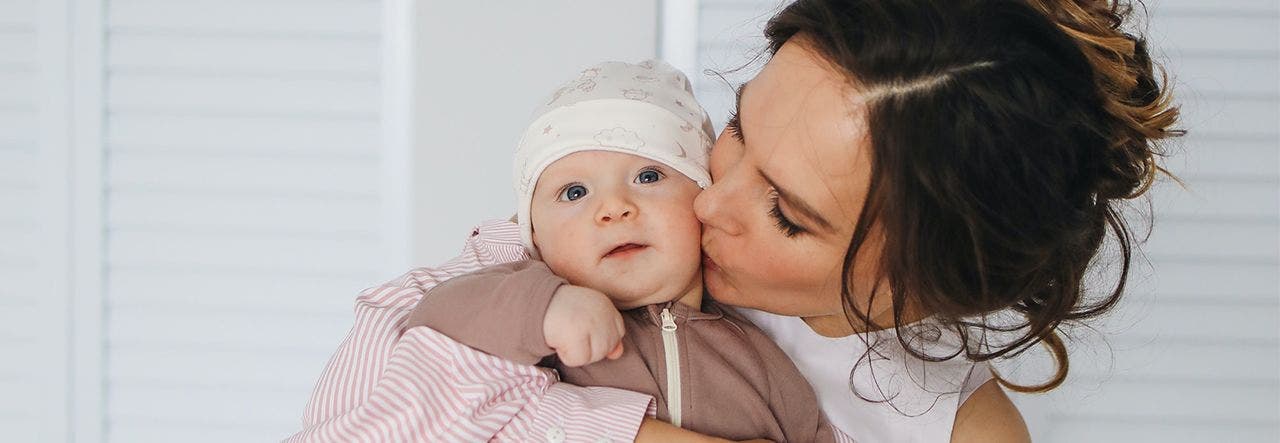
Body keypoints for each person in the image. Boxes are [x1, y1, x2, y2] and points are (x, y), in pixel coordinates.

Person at [291, 0, 1180, 441]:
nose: (706, 201)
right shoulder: (591, 258)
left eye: (786, 214)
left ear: (920, 286)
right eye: (738, 128)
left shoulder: (954, 428)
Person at [405, 59, 851, 443]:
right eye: (574, 191)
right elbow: (434, 319)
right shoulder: (525, 310)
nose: (614, 207)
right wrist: (546, 307)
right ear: (534, 234)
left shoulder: (762, 358)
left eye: (649, 177)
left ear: (704, 197)